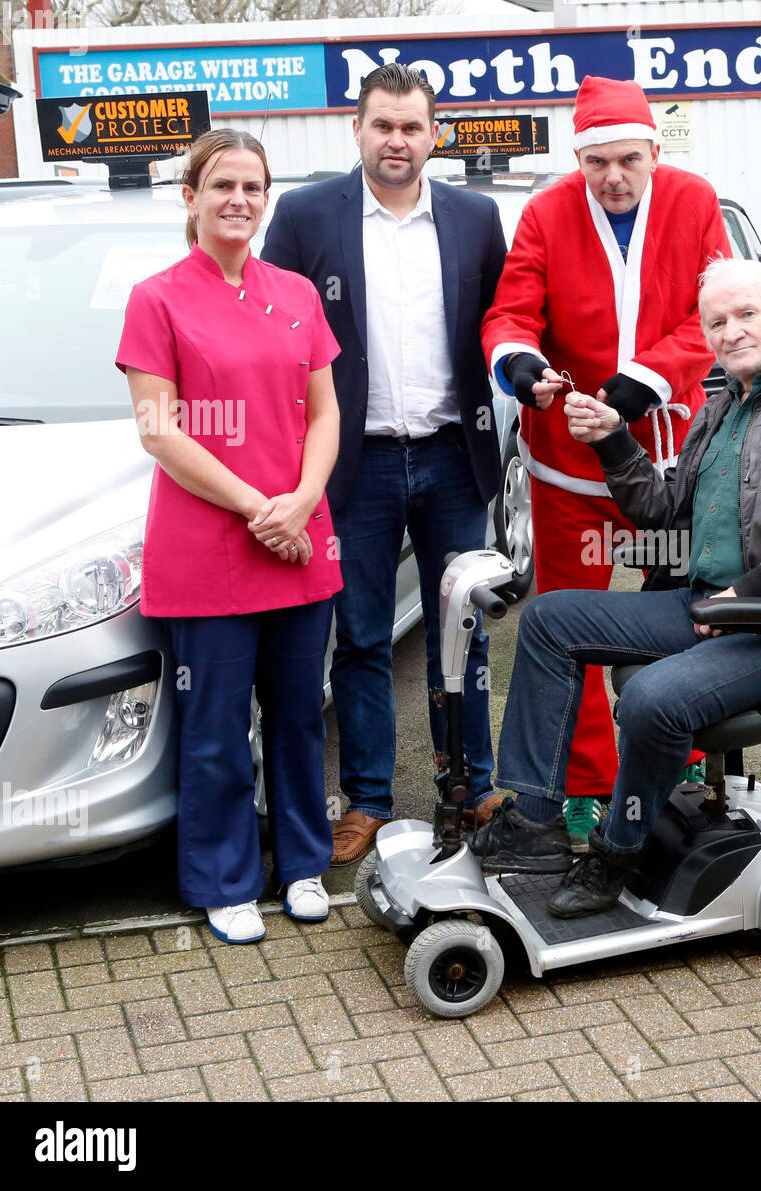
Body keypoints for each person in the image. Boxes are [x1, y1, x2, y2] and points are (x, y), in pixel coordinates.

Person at [469, 257, 761, 917]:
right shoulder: (723, 402)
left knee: (654, 697)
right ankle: (535, 824)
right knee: (549, 618)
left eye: (748, 314)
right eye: (717, 321)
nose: (733, 330)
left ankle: (617, 852)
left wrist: (750, 588)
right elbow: (663, 511)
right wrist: (613, 441)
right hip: (711, 605)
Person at [263, 65, 508, 866]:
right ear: (357, 129)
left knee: (462, 629)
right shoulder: (305, 216)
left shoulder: (476, 217)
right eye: (382, 126)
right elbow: (271, 340)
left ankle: (472, 787)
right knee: (362, 636)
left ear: (434, 133)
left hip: (451, 455)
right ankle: (368, 799)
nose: (397, 141)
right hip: (352, 462)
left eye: (412, 127)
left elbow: (505, 323)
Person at [481, 75, 731, 848]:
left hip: (668, 462)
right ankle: (585, 779)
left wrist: (642, 383)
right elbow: (511, 310)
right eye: (597, 164)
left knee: (684, 615)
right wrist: (523, 369)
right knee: (567, 621)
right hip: (570, 464)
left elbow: (712, 313)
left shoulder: (693, 201)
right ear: (578, 161)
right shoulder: (547, 212)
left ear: (655, 150)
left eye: (629, 159)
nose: (614, 178)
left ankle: (680, 755)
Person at [117, 129, 342, 944]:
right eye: (222, 186)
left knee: (297, 714)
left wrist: (303, 498)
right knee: (214, 725)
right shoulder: (157, 298)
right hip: (211, 546)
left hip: (298, 539)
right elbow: (159, 431)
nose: (239, 200)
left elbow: (325, 413)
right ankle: (224, 876)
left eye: (253, 186)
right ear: (191, 197)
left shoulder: (297, 293)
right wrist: (262, 507)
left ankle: (304, 864)